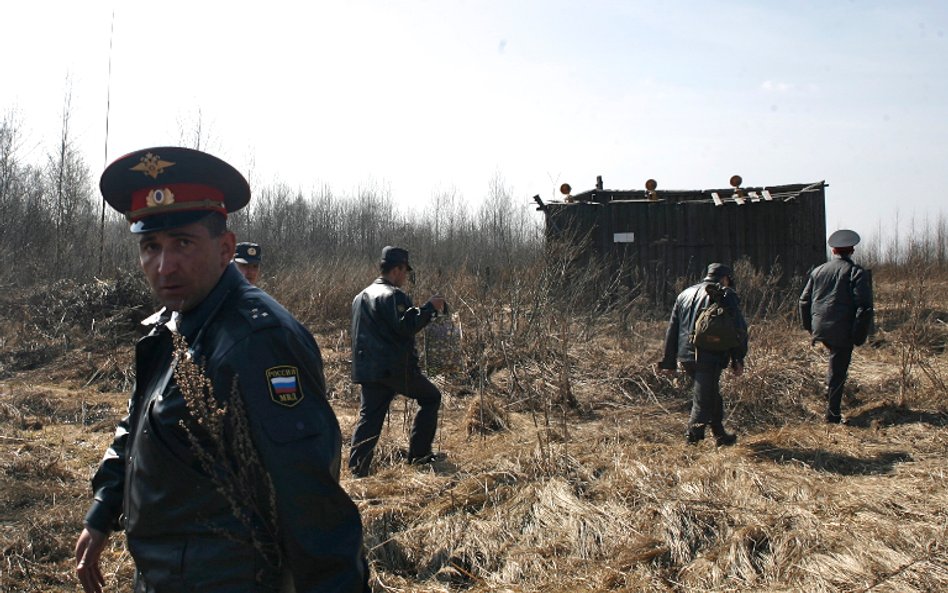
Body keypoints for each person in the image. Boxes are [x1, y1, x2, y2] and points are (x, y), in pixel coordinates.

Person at [75, 147, 369, 593]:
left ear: (225, 248)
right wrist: (103, 508)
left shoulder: (257, 341)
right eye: (150, 246)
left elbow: (310, 503)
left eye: (183, 243)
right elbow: (140, 420)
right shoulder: (176, 320)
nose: (163, 265)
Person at [349, 246, 446, 477]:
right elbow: (407, 326)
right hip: (394, 370)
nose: (405, 277)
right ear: (397, 269)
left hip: (368, 370)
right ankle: (420, 455)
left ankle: (357, 469)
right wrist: (429, 308)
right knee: (431, 397)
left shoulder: (359, 297)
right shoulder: (394, 295)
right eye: (405, 271)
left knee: (369, 418)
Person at [659, 263, 748, 446]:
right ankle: (692, 442)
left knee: (710, 394)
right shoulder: (723, 293)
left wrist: (669, 361)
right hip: (710, 355)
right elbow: (736, 329)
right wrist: (737, 358)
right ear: (725, 278)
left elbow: (673, 329)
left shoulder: (684, 294)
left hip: (686, 357)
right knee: (703, 400)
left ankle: (720, 435)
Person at [799, 229, 874, 424]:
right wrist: (858, 336)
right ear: (852, 250)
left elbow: (803, 302)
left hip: (820, 328)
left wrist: (810, 328)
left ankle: (830, 397)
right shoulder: (855, 272)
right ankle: (832, 415)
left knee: (835, 366)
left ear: (833, 250)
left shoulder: (817, 271)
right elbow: (864, 307)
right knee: (838, 370)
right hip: (842, 331)